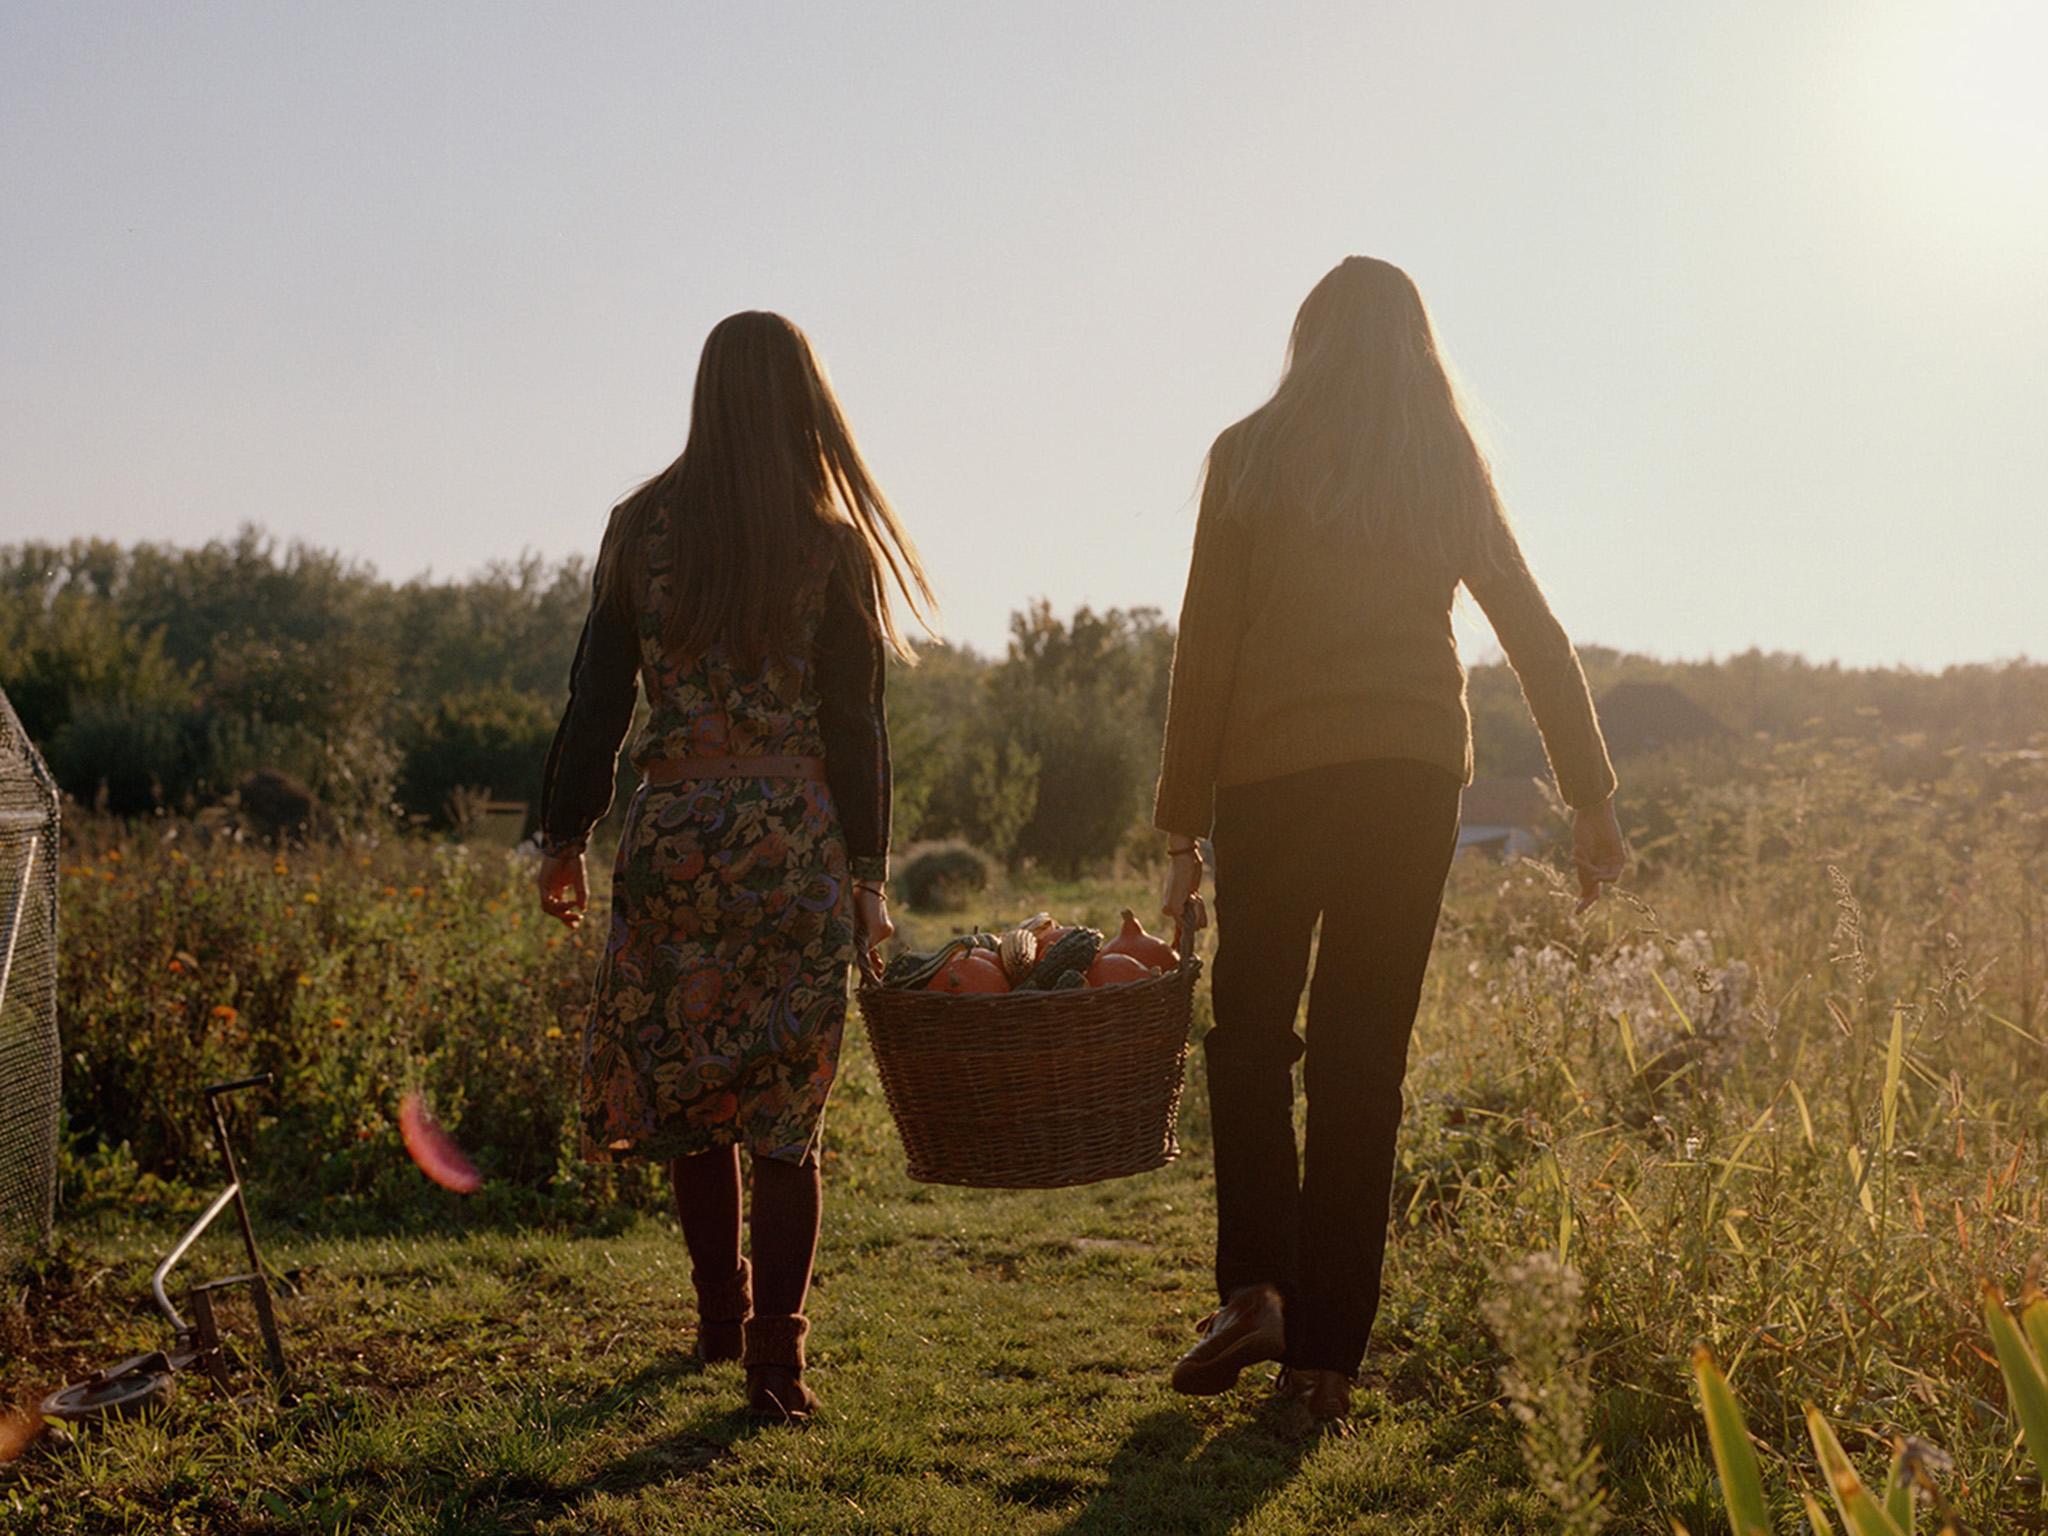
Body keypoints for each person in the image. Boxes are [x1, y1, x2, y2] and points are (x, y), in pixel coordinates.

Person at [1152, 257, 1627, 1425]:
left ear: (1306, 340)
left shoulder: (1247, 453)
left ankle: (1255, 1288)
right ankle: (1323, 1363)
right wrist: (1590, 798)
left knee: (1251, 1035)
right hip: (1407, 786)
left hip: (1270, 783)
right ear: (1415, 348)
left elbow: (1202, 649)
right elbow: (1532, 628)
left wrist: (1179, 831)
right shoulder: (1440, 460)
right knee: (1364, 1063)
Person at [536, 311, 932, 1423]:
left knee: (696, 1091)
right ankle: (776, 1361)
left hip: (673, 840)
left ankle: (719, 1321)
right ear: (802, 404)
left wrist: (564, 837)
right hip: (790, 843)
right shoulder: (830, 545)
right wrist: (868, 871)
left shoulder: (637, 527)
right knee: (782, 1112)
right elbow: (855, 727)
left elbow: (597, 699)